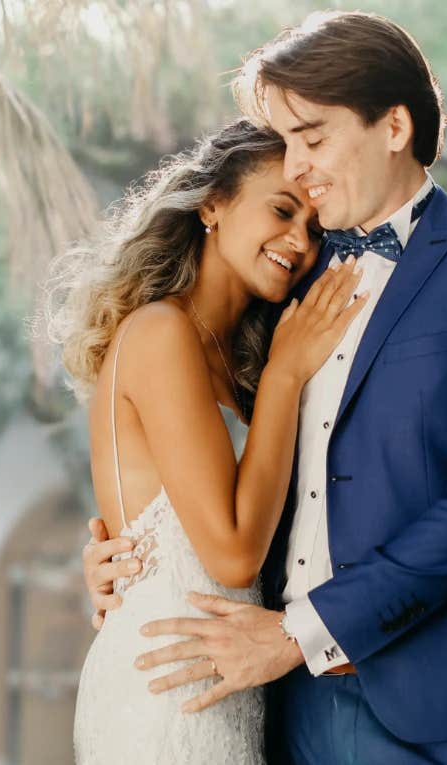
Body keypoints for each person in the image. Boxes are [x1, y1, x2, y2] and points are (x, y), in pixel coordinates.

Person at [82, 10, 447, 763]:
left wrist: (297, 634)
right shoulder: (281, 274)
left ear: (394, 127)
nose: (298, 166)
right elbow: (209, 462)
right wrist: (125, 557)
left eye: (311, 138)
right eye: (283, 144)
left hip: (441, 698)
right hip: (271, 706)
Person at [48, 118, 367, 763]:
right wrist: (285, 374)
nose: (299, 240)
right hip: (168, 688)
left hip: (228, 683)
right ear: (213, 205)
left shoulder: (236, 363)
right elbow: (231, 556)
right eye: (282, 209)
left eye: (313, 226)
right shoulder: (163, 333)